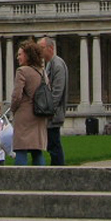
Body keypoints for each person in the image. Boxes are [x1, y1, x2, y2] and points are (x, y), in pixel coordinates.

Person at [9, 39, 48, 166]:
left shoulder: (22, 71)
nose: (18, 57)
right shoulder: (42, 72)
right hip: (39, 114)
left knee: (21, 149)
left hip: (24, 115)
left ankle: (20, 181)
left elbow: (16, 95)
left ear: (27, 55)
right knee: (37, 150)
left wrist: (13, 109)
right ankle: (41, 180)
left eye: (20, 54)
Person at [39, 36, 69, 165]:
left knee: (54, 146)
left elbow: (57, 92)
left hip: (53, 114)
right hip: (52, 113)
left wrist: (49, 110)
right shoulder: (51, 64)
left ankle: (58, 172)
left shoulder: (57, 64)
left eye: (41, 48)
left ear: (50, 48)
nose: (39, 51)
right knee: (52, 146)